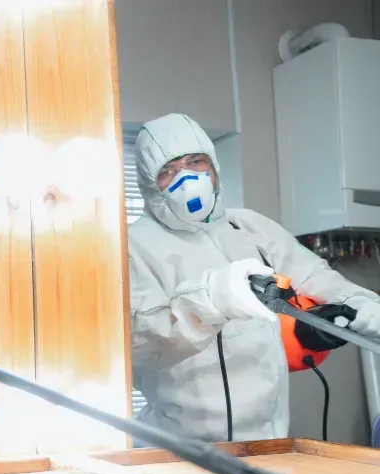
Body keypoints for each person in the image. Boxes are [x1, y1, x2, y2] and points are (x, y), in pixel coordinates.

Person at [129, 113, 380, 443]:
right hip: (179, 448)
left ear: (215, 168)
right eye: (168, 172)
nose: (187, 178)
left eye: (196, 162)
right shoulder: (133, 246)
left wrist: (362, 308)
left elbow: (319, 279)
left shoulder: (248, 226)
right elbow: (138, 344)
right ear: (149, 185)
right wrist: (211, 300)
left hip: (269, 439)